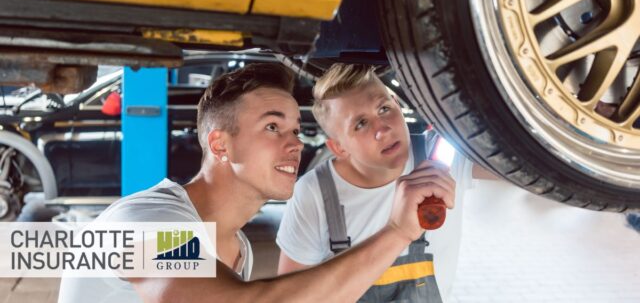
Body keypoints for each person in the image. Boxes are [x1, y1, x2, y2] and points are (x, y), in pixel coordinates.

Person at [58, 63, 455, 303]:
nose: (296, 142)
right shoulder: (147, 224)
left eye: (296, 129)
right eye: (272, 126)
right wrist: (397, 231)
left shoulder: (236, 250)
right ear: (220, 144)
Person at [276, 64, 478, 302]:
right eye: (360, 124)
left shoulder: (442, 156)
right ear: (338, 147)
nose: (382, 129)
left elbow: (521, 158)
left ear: (396, 102)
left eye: (383, 108)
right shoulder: (315, 193)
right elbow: (291, 297)